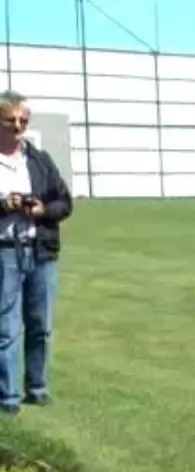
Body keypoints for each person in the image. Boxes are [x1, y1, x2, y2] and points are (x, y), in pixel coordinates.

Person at [0, 90, 72, 415]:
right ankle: (8, 397)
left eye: (23, 120)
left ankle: (38, 387)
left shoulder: (40, 160)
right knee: (6, 327)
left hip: (40, 252)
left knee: (40, 324)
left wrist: (42, 209)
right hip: (5, 254)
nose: (17, 126)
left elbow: (64, 203)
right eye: (10, 119)